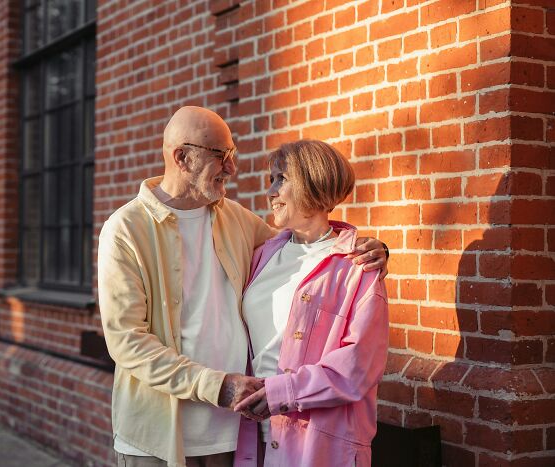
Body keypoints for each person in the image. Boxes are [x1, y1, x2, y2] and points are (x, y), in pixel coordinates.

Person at [98, 107, 387, 467]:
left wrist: (368, 248)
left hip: (232, 433)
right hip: (159, 437)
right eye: (221, 156)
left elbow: (310, 246)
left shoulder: (234, 218)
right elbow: (127, 342)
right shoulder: (126, 229)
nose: (232, 169)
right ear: (182, 158)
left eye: (232, 156)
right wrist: (215, 386)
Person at [233, 140, 389, 467]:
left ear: (312, 182)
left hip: (317, 446)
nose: (271, 192)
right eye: (271, 180)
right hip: (252, 438)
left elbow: (358, 366)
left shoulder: (357, 266)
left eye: (281, 179)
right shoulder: (261, 255)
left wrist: (281, 393)